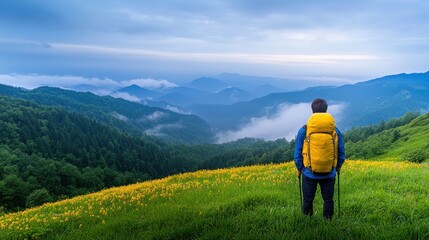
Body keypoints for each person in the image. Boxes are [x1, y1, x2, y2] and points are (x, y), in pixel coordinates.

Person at [294, 98, 345, 219]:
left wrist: (299, 168)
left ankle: (307, 220)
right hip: (329, 173)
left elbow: (298, 153)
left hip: (309, 173)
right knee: (328, 199)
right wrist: (338, 167)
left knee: (308, 199)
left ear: (312, 111)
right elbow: (341, 152)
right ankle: (328, 221)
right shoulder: (335, 130)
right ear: (326, 110)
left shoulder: (304, 130)